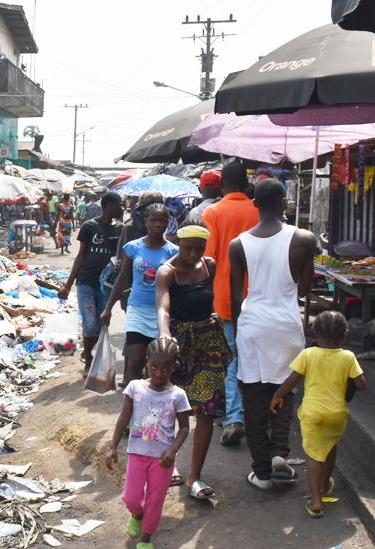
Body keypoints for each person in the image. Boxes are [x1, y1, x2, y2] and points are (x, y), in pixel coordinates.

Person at [228, 178, 317, 490]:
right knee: (284, 392)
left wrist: (238, 337)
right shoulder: (304, 239)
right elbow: (304, 288)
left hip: (253, 326)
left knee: (253, 399)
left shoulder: (238, 244)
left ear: (255, 204)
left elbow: (236, 298)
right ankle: (280, 453)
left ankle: (262, 471)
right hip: (286, 327)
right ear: (284, 203)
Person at [155, 217, 230, 500]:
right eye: (188, 248)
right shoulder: (167, 271)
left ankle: (195, 477)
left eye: (199, 248)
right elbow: (162, 307)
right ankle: (169, 460)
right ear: (178, 243)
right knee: (170, 407)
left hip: (208, 341)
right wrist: (165, 335)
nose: (193, 255)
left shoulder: (209, 265)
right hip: (177, 343)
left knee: (207, 409)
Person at [270, 311, 368, 517]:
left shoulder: (308, 354)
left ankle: (315, 500)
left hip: (312, 414)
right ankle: (324, 486)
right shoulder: (348, 357)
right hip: (336, 414)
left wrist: (277, 396)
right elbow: (361, 385)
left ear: (315, 334)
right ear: (343, 336)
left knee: (313, 456)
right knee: (330, 447)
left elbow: (292, 380)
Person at [106, 338, 191, 549]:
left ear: (174, 367)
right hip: (136, 452)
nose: (159, 373)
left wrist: (173, 451)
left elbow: (185, 428)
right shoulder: (135, 388)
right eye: (154, 366)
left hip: (162, 459)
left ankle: (146, 539)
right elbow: (124, 418)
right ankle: (137, 513)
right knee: (131, 497)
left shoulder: (178, 395)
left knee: (155, 500)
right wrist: (112, 446)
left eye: (166, 368)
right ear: (147, 362)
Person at [201, 161, 258, 447]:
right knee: (253, 357)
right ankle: (253, 416)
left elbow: (207, 260)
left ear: (223, 185)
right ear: (246, 183)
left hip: (224, 299)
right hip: (258, 297)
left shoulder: (212, 212)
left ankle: (234, 417)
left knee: (232, 358)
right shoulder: (260, 211)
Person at [101, 203, 179, 384]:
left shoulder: (173, 252)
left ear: (168, 222)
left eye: (162, 220)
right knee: (135, 360)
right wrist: (108, 308)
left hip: (162, 314)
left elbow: (176, 284)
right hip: (137, 310)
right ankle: (132, 404)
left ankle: (153, 404)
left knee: (157, 364)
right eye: (153, 220)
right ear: (146, 222)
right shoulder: (133, 247)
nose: (158, 225)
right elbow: (123, 278)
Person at [58, 192, 125, 373]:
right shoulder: (89, 227)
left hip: (107, 285)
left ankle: (88, 353)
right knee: (89, 323)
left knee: (100, 322)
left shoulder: (121, 229)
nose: (122, 208)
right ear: (109, 205)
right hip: (86, 281)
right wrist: (68, 285)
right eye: (119, 204)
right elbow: (80, 256)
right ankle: (89, 363)